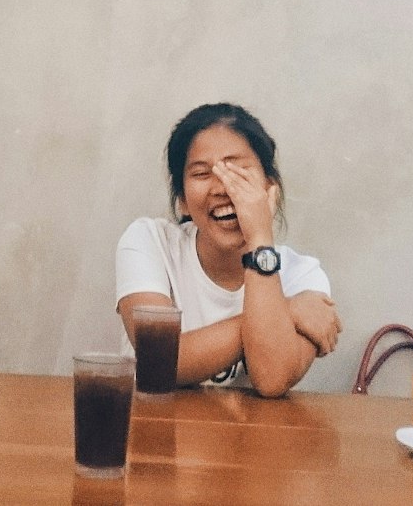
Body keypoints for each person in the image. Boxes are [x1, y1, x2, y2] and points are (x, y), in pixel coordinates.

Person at [116, 102, 341, 397]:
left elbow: (273, 381)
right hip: (155, 434)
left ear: (269, 188)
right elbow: (159, 361)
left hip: (253, 441)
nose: (221, 187)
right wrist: (286, 310)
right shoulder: (149, 242)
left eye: (237, 171)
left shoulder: (303, 276)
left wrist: (260, 237)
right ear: (182, 199)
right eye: (201, 173)